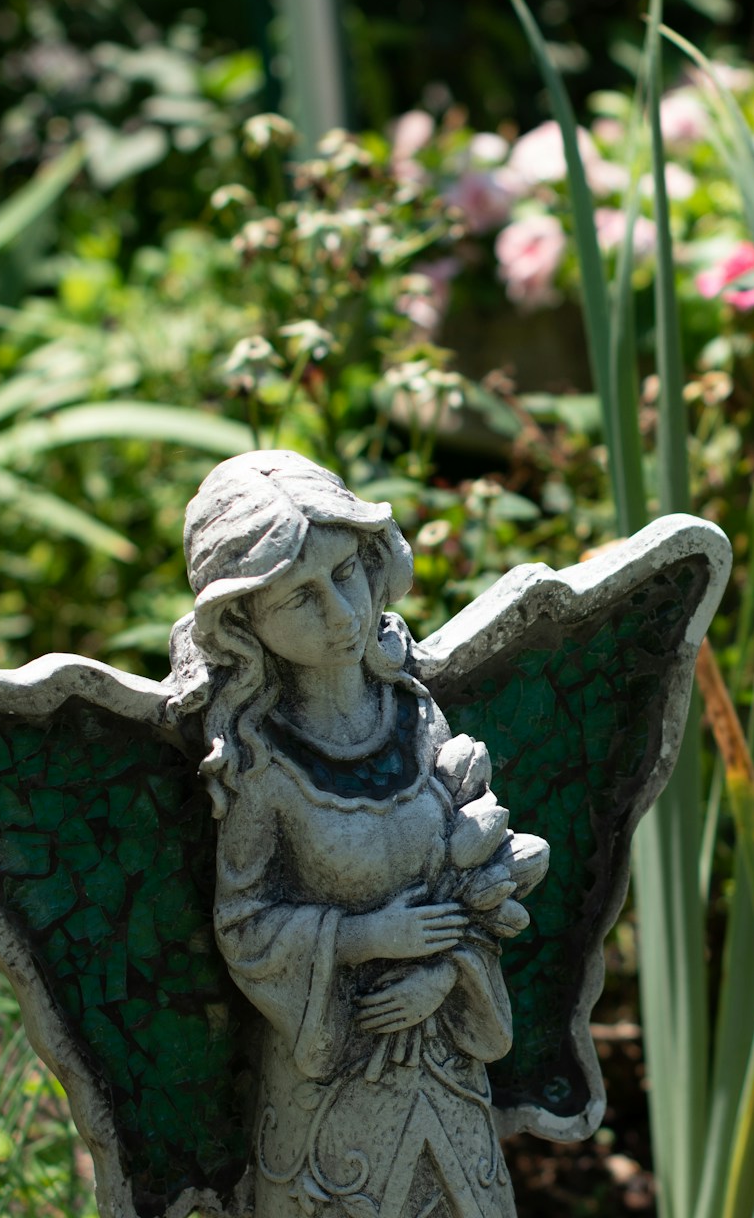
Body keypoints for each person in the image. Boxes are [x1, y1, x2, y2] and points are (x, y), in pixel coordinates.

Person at [167, 450, 547, 1218]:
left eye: (346, 573)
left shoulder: (417, 715)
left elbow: (478, 881)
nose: (341, 613)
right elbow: (244, 925)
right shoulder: (259, 768)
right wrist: (364, 937)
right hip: (332, 1099)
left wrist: (443, 976)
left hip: (444, 1070)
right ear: (244, 620)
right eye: (300, 598)